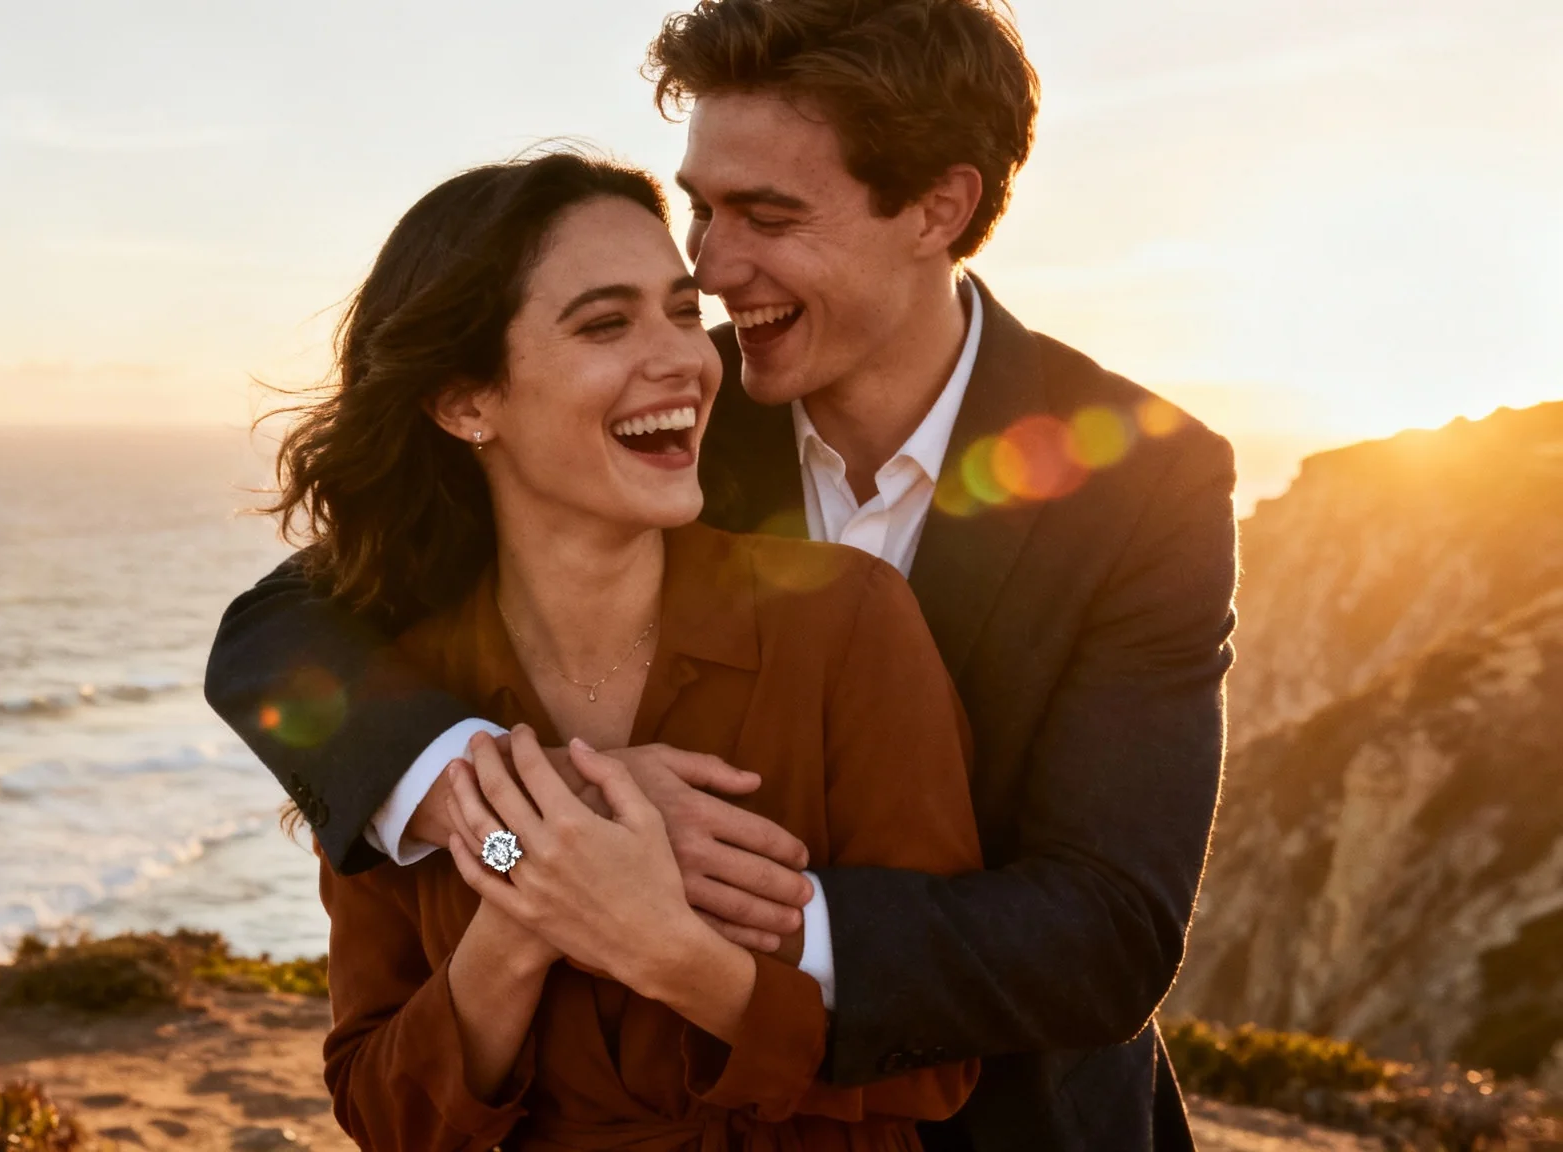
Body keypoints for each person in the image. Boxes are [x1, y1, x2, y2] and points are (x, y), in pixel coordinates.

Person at [207, 2, 1238, 1148]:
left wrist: (672, 909)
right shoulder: (654, 422)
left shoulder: (1143, 480)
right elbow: (274, 634)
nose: (707, 264)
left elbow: (1105, 935)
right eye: (701, 207)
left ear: (936, 208)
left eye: (767, 215)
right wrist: (508, 804)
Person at [271, 152, 982, 1150]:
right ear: (466, 401)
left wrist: (668, 951)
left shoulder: (846, 621)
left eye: (684, 314)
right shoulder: (392, 707)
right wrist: (524, 898)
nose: (686, 359)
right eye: (605, 324)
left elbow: (939, 1060)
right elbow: (383, 1111)